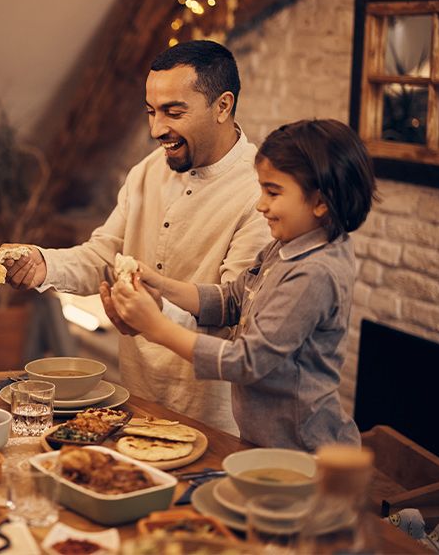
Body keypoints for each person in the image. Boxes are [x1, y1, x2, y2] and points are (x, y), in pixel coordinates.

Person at [5, 40, 270, 433]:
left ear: (223, 106)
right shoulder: (146, 171)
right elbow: (103, 256)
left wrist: (152, 313)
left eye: (173, 112)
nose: (156, 129)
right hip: (137, 398)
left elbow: (236, 317)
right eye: (151, 111)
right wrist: (44, 264)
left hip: (213, 416)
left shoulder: (261, 192)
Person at [111, 119, 376, 450]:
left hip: (304, 453)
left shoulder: (315, 273)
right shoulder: (286, 245)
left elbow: (247, 362)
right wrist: (160, 286)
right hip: (262, 443)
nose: (260, 204)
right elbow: (233, 300)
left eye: (273, 192)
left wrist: (157, 328)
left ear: (321, 202)